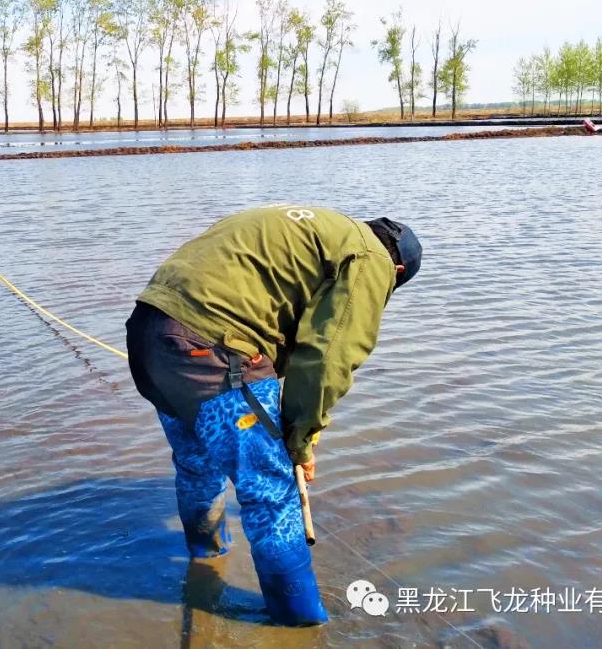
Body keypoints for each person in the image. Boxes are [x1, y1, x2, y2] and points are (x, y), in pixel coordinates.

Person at [125, 206, 421, 626]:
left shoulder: (313, 227)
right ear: (397, 270)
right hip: (214, 352)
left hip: (148, 335)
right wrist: (300, 441)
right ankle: (300, 622)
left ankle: (205, 561)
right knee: (272, 495)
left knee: (196, 465)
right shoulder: (371, 257)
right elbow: (328, 359)